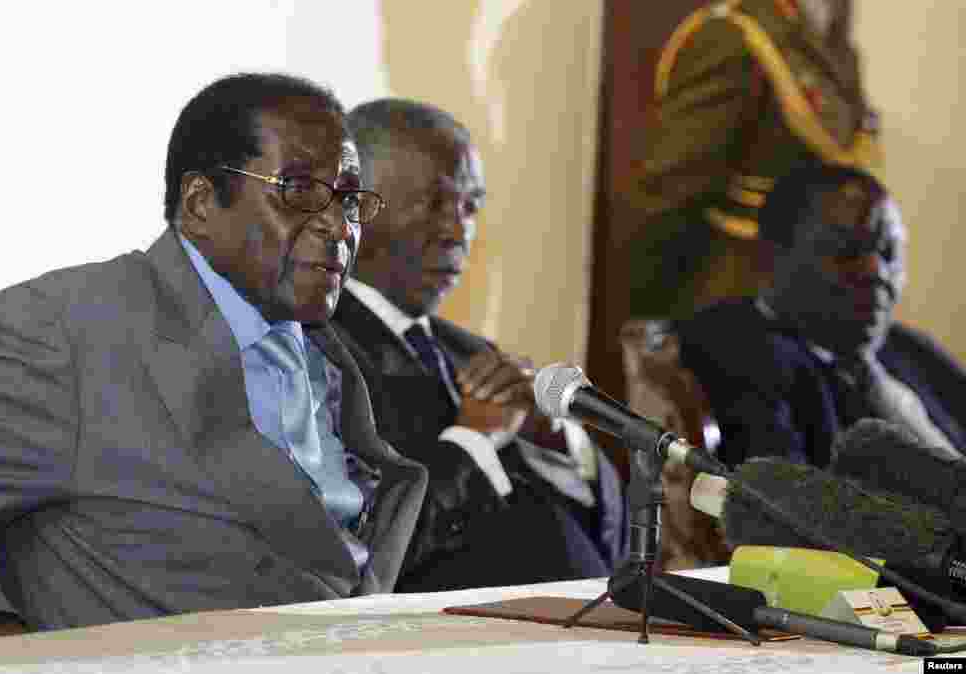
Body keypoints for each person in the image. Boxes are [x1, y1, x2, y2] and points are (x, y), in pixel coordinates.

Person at [0, 73, 427, 639]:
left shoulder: (329, 353)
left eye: (348, 197)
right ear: (200, 202)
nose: (339, 225)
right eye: (298, 190)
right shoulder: (67, 331)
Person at [334, 98, 627, 592]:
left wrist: (550, 434)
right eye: (434, 203)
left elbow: (619, 543)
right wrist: (475, 439)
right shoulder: (322, 352)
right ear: (357, 206)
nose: (458, 231)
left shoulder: (471, 352)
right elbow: (369, 553)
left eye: (470, 205)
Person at [678, 163, 966, 470]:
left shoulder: (910, 348)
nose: (876, 272)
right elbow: (781, 504)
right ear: (769, 256)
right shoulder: (738, 353)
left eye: (889, 252)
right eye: (846, 251)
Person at [625, 0, 882, 320]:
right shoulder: (731, 37)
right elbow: (666, 199)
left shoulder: (833, 38)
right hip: (742, 306)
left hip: (818, 306)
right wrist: (651, 332)